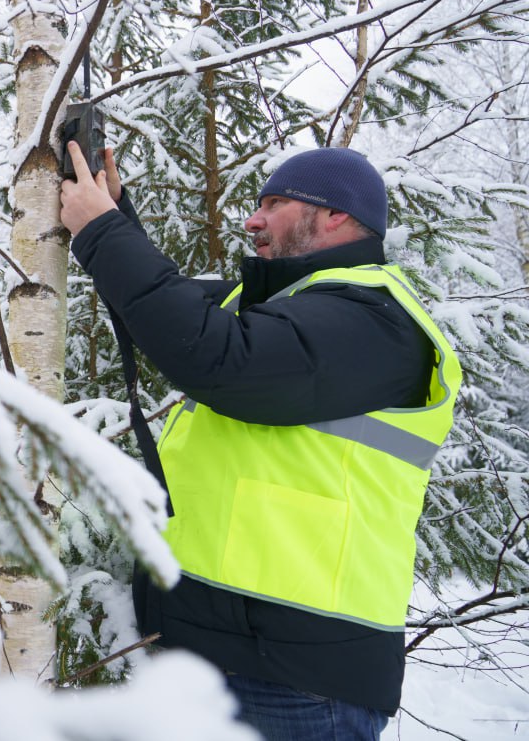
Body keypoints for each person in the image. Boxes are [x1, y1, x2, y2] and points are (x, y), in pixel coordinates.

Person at [59, 143, 462, 741]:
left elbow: (222, 358)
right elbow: (172, 308)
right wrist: (115, 215)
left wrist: (103, 231)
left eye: (275, 204)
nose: (253, 218)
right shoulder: (281, 310)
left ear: (336, 216)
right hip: (217, 654)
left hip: (300, 679)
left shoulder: (374, 320)